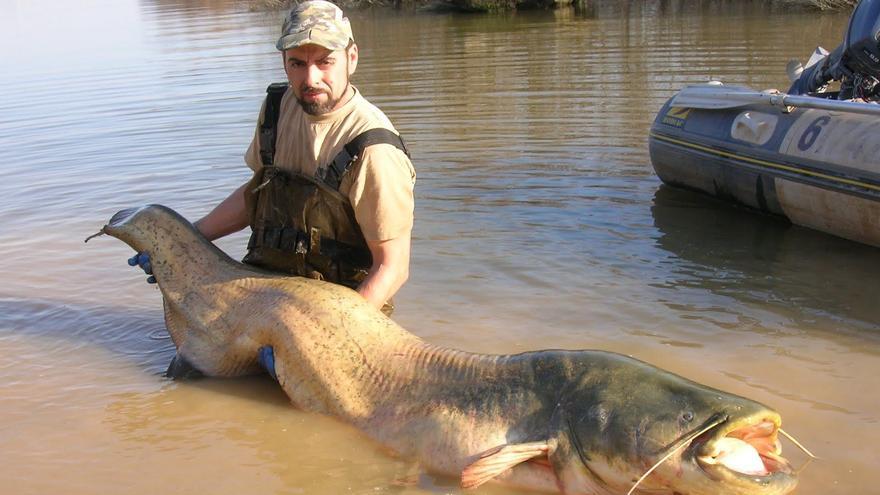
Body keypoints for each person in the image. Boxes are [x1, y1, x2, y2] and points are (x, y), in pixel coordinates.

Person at [131, 0, 416, 318]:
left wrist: (330, 334)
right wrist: (187, 242)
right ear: (283, 62)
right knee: (189, 364)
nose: (310, 79)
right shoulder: (277, 108)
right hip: (266, 288)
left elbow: (392, 267)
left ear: (351, 58)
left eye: (325, 62)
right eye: (297, 63)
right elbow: (257, 193)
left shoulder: (374, 150)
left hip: (343, 306)